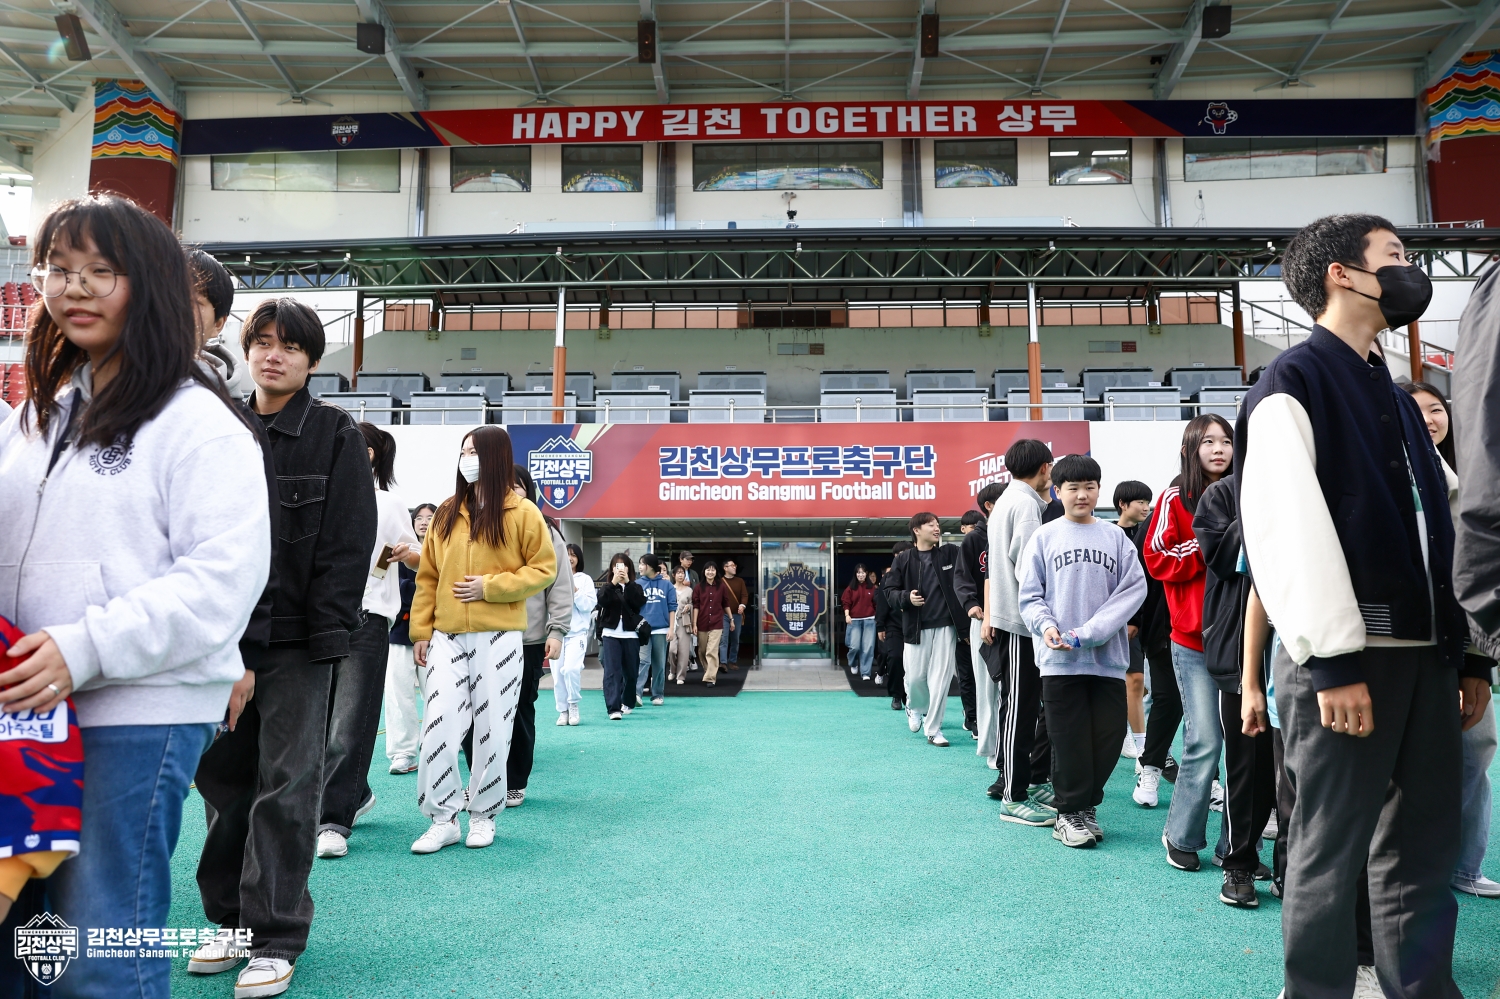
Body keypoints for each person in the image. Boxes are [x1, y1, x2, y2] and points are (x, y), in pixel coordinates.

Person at [0, 195, 271, 999]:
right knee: (22, 951)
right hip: (25, 710)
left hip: (135, 710)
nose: (74, 287)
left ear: (147, 284)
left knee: (97, 952)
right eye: (58, 269)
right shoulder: (35, 417)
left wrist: (83, 647)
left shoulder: (197, 424)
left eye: (101, 271)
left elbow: (220, 581)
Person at [1239, 214, 1485, 998]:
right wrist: (1333, 661)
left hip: (1429, 659)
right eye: (1396, 256)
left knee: (1424, 847)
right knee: (1329, 847)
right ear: (1341, 273)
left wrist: (1472, 651)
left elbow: (1448, 525)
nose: (1411, 270)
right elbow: (1286, 529)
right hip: (1347, 663)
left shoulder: (1402, 400)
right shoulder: (1291, 383)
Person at [191, 295, 375, 997]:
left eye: (290, 345)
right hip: (222, 642)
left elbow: (348, 546)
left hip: (300, 643)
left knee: (289, 786)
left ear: (312, 360)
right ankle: (230, 921)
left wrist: (327, 637)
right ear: (245, 350)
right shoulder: (221, 425)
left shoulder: (334, 433)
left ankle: (275, 936)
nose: (274, 355)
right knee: (223, 784)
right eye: (263, 341)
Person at [407, 426, 556, 854]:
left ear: (495, 457)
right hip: (447, 636)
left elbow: (543, 569)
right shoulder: (446, 512)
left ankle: (483, 816)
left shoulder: (523, 512)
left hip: (500, 636)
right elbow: (428, 577)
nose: (466, 458)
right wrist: (421, 630)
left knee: (493, 729)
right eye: (463, 450)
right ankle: (442, 819)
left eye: (474, 451)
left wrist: (490, 587)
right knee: (438, 725)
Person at [1019, 454, 1146, 848]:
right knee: (1069, 739)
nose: (1082, 494)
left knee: (1108, 738)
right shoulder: (1044, 537)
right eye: (1073, 488)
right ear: (1058, 491)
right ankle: (1068, 813)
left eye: (1089, 487)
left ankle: (1087, 806)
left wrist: (1087, 633)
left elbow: (1132, 591)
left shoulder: (1116, 538)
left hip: (1107, 661)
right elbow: (1030, 596)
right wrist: (1047, 626)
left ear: (1098, 490)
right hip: (1059, 661)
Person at [1402, 380, 1498, 898]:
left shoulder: (1472, 473)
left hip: (1464, 641)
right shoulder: (1392, 472)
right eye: (1415, 410)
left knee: (1475, 750)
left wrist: (1478, 661)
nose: (1428, 418)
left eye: (1435, 408)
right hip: (1410, 646)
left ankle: (1465, 864)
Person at [315, 424, 419, 860]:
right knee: (318, 725)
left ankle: (332, 822)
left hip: (367, 617)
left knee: (350, 723)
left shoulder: (387, 502)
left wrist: (406, 554)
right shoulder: (318, 491)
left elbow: (418, 556)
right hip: (317, 619)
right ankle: (356, 794)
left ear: (373, 454)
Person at [1144, 414, 1233, 873]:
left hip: (1243, 639)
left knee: (1246, 745)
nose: (1219, 449)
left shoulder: (1249, 491)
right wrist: (1208, 543)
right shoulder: (1175, 496)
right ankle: (1180, 835)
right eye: (1208, 441)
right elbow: (1157, 557)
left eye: (1226, 441)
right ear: (1190, 449)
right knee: (1205, 740)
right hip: (1193, 640)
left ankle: (1235, 847)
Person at [1194, 473, 1274, 907]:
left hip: (1301, 651)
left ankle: (1288, 866)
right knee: (1246, 766)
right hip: (1241, 650)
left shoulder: (1319, 477)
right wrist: (1264, 503)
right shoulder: (1223, 493)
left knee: (1296, 774)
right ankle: (1238, 862)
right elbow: (1222, 559)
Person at [986, 438, 1056, 820]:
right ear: (1045, 467)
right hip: (1021, 623)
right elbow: (1031, 571)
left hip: (1012, 620)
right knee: (1020, 708)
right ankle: (1013, 796)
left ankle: (1023, 784)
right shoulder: (1026, 505)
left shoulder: (1008, 500)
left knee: (1020, 705)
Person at [505, 467, 571, 809]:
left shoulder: (545, 528)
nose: (511, 491)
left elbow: (559, 583)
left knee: (519, 710)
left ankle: (515, 781)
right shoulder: (484, 523)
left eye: (517, 486)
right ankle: (483, 780)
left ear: (529, 491)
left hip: (528, 638)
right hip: (483, 634)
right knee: (476, 712)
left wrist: (556, 630)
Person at [1120, 478, 1182, 807]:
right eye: (1139, 502)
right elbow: (1138, 579)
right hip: (1161, 628)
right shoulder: (1154, 524)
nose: (1144, 507)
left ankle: (1209, 781)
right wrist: (1134, 620)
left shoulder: (1226, 508)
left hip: (1213, 629)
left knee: (1205, 712)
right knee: (1164, 698)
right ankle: (1149, 762)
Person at [881, 512, 966, 746]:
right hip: (916, 627)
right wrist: (906, 598)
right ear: (917, 530)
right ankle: (914, 705)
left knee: (940, 680)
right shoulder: (904, 559)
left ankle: (934, 729)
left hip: (946, 627)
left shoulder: (949, 553)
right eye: (930, 525)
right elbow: (889, 592)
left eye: (937, 524)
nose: (936, 528)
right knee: (916, 677)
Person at [954, 484, 1006, 765]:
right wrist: (971, 604)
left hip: (1013, 622)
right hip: (983, 621)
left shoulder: (1015, 531)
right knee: (987, 688)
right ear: (989, 505)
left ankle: (1012, 746)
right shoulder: (974, 539)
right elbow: (961, 577)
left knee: (1014, 689)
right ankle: (991, 748)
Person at [386, 502, 436, 774]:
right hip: (398, 632)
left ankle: (436, 745)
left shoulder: (442, 548)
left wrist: (411, 589)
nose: (424, 522)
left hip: (435, 633)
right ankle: (403, 752)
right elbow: (387, 584)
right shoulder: (396, 548)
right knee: (398, 695)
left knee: (437, 693)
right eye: (419, 517)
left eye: (430, 517)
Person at [1111, 481, 1153, 761]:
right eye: (1140, 502)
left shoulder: (1149, 532)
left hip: (1151, 620)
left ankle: (1140, 742)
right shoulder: (1110, 535)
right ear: (1123, 504)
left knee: (1141, 683)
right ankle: (1140, 748)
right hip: (1123, 621)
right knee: (1133, 680)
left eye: (1148, 502)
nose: (1146, 507)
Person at [186, 246, 256, 398]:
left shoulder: (231, 410)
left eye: (193, 303)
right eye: (164, 298)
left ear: (217, 324)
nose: (174, 309)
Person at [597, 553, 647, 718]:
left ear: (629, 568)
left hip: (631, 634)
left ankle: (628, 701)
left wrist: (628, 583)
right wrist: (613, 583)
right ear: (612, 569)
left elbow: (639, 603)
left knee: (631, 672)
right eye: (617, 566)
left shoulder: (635, 587)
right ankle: (614, 708)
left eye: (624, 565)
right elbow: (602, 601)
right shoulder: (607, 587)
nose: (620, 569)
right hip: (610, 634)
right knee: (612, 671)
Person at [555, 544, 596, 726]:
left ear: (578, 559)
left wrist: (575, 590)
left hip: (577, 633)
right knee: (557, 676)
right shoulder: (554, 576)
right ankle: (562, 711)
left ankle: (573, 705)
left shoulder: (585, 579)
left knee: (571, 669)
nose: (570, 558)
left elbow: (588, 606)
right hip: (557, 633)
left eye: (573, 555)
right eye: (567, 554)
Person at [951, 512, 982, 737]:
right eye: (970, 526)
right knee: (967, 675)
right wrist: (963, 630)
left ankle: (981, 717)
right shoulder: (956, 554)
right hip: (966, 626)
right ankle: (971, 717)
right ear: (963, 529)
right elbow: (956, 596)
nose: (974, 530)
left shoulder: (992, 543)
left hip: (988, 622)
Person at [636, 553, 676, 704]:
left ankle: (658, 694)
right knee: (643, 661)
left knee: (659, 663)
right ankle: (637, 693)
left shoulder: (667, 585)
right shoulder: (637, 584)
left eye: (643, 564)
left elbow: (672, 607)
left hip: (661, 629)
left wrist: (671, 628)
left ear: (651, 566)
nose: (640, 567)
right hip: (643, 629)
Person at [875, 552, 910, 708]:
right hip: (893, 625)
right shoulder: (888, 578)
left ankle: (909, 696)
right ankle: (896, 695)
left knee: (913, 664)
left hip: (914, 625)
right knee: (895, 658)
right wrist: (880, 625)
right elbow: (882, 603)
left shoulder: (916, 573)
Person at [694, 561, 734, 686]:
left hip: (717, 622)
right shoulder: (698, 588)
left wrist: (731, 619)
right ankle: (708, 671)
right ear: (704, 572)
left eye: (713, 570)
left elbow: (726, 603)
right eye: (708, 570)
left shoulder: (721, 587)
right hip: (702, 622)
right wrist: (694, 624)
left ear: (716, 572)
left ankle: (710, 678)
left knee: (711, 650)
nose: (710, 572)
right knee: (702, 650)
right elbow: (696, 606)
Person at [841, 564, 878, 680]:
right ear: (855, 574)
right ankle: (853, 663)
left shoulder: (872, 588)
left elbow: (876, 604)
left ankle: (865, 672)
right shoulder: (850, 588)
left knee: (868, 647)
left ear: (866, 574)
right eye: (858, 573)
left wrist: (877, 617)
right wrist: (847, 615)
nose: (860, 575)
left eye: (862, 572)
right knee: (854, 646)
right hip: (854, 620)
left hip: (869, 620)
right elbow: (846, 603)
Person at [720, 558, 750, 670]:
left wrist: (742, 605)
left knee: (735, 639)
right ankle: (723, 662)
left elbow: (744, 595)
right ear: (725, 568)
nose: (734, 567)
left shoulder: (740, 581)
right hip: (723, 615)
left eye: (735, 565)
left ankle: (732, 661)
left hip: (737, 615)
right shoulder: (720, 582)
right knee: (724, 639)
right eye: (732, 565)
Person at [669, 565, 695, 684]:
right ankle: (672, 670)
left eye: (682, 573)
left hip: (684, 622)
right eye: (678, 573)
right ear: (673, 575)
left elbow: (693, 604)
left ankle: (681, 676)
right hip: (671, 622)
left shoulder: (689, 590)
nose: (680, 575)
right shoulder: (669, 588)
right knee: (672, 650)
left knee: (684, 651)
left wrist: (688, 606)